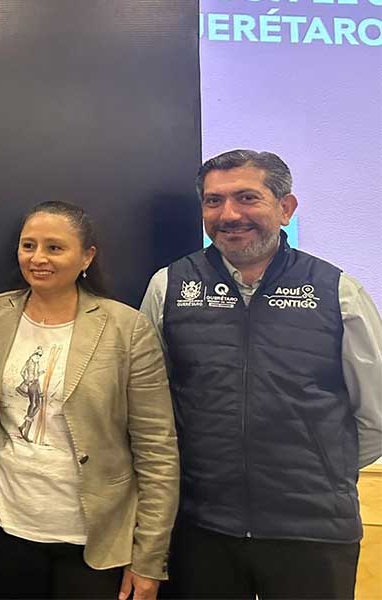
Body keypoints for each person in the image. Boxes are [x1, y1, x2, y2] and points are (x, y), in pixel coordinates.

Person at [140, 149, 382, 599]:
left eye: (247, 197)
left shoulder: (338, 292)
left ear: (285, 208)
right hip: (201, 528)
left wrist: (320, 467)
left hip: (312, 530)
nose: (229, 214)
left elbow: (375, 414)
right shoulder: (169, 286)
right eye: (213, 201)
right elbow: (149, 408)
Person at [0, 201, 179, 599]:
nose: (38, 258)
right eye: (29, 246)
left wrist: (149, 558)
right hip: (3, 524)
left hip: (93, 540)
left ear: (87, 257)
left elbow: (157, 450)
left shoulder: (127, 329)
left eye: (54, 247)